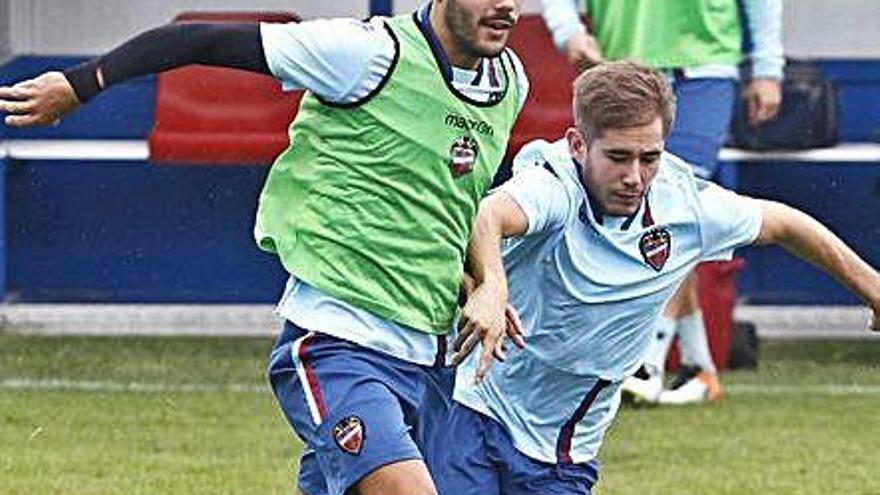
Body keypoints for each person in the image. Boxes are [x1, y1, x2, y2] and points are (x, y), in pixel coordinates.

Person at [0, 2, 529, 494]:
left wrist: (484, 282)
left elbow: (453, 207)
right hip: (340, 341)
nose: (507, 5)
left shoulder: (509, 83)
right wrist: (80, 85)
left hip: (430, 357)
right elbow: (192, 41)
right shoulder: (368, 54)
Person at [436, 60, 880, 495]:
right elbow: (487, 215)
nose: (634, 177)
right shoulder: (552, 186)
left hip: (564, 445)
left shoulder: (684, 206)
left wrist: (872, 288)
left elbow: (784, 223)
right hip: (474, 406)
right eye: (617, 157)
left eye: (649, 158)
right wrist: (493, 286)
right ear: (577, 144)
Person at [540, 0, 786, 403]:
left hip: (703, 69)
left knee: (671, 214)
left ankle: (645, 362)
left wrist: (767, 68)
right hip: (621, 71)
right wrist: (568, 31)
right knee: (650, 219)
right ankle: (699, 368)